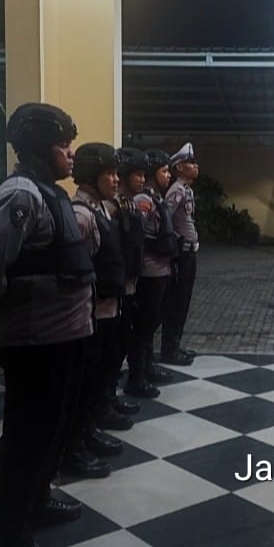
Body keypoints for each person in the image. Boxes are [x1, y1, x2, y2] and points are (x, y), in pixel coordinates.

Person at [0, 102, 93, 547]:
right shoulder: (20, 196)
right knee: (26, 437)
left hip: (62, 336)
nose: (70, 154)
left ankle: (37, 501)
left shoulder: (50, 193)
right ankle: (10, 534)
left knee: (50, 432)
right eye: (63, 146)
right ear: (41, 149)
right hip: (33, 340)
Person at [68, 143, 131, 465]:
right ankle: (75, 444)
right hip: (92, 313)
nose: (116, 180)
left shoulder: (101, 209)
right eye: (110, 173)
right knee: (85, 381)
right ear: (92, 175)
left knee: (99, 375)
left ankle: (89, 428)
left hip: (107, 308)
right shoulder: (81, 215)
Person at [128, 149, 177, 391]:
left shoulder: (155, 197)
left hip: (161, 271)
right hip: (149, 273)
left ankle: (147, 367)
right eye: (164, 171)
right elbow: (138, 238)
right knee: (143, 327)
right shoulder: (143, 200)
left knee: (151, 325)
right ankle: (137, 376)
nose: (168, 175)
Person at [116, 147, 160, 399]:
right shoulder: (117, 205)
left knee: (133, 333)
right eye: (137, 174)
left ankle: (136, 377)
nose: (142, 179)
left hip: (132, 280)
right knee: (118, 341)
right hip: (119, 284)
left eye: (144, 175)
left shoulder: (128, 203)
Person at [161, 142, 201, 365]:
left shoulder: (186, 190)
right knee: (176, 302)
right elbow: (165, 220)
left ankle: (175, 344)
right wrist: (177, 241)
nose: (195, 166)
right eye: (190, 162)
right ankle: (169, 349)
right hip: (181, 255)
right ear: (179, 167)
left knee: (183, 302)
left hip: (189, 254)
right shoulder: (176, 191)